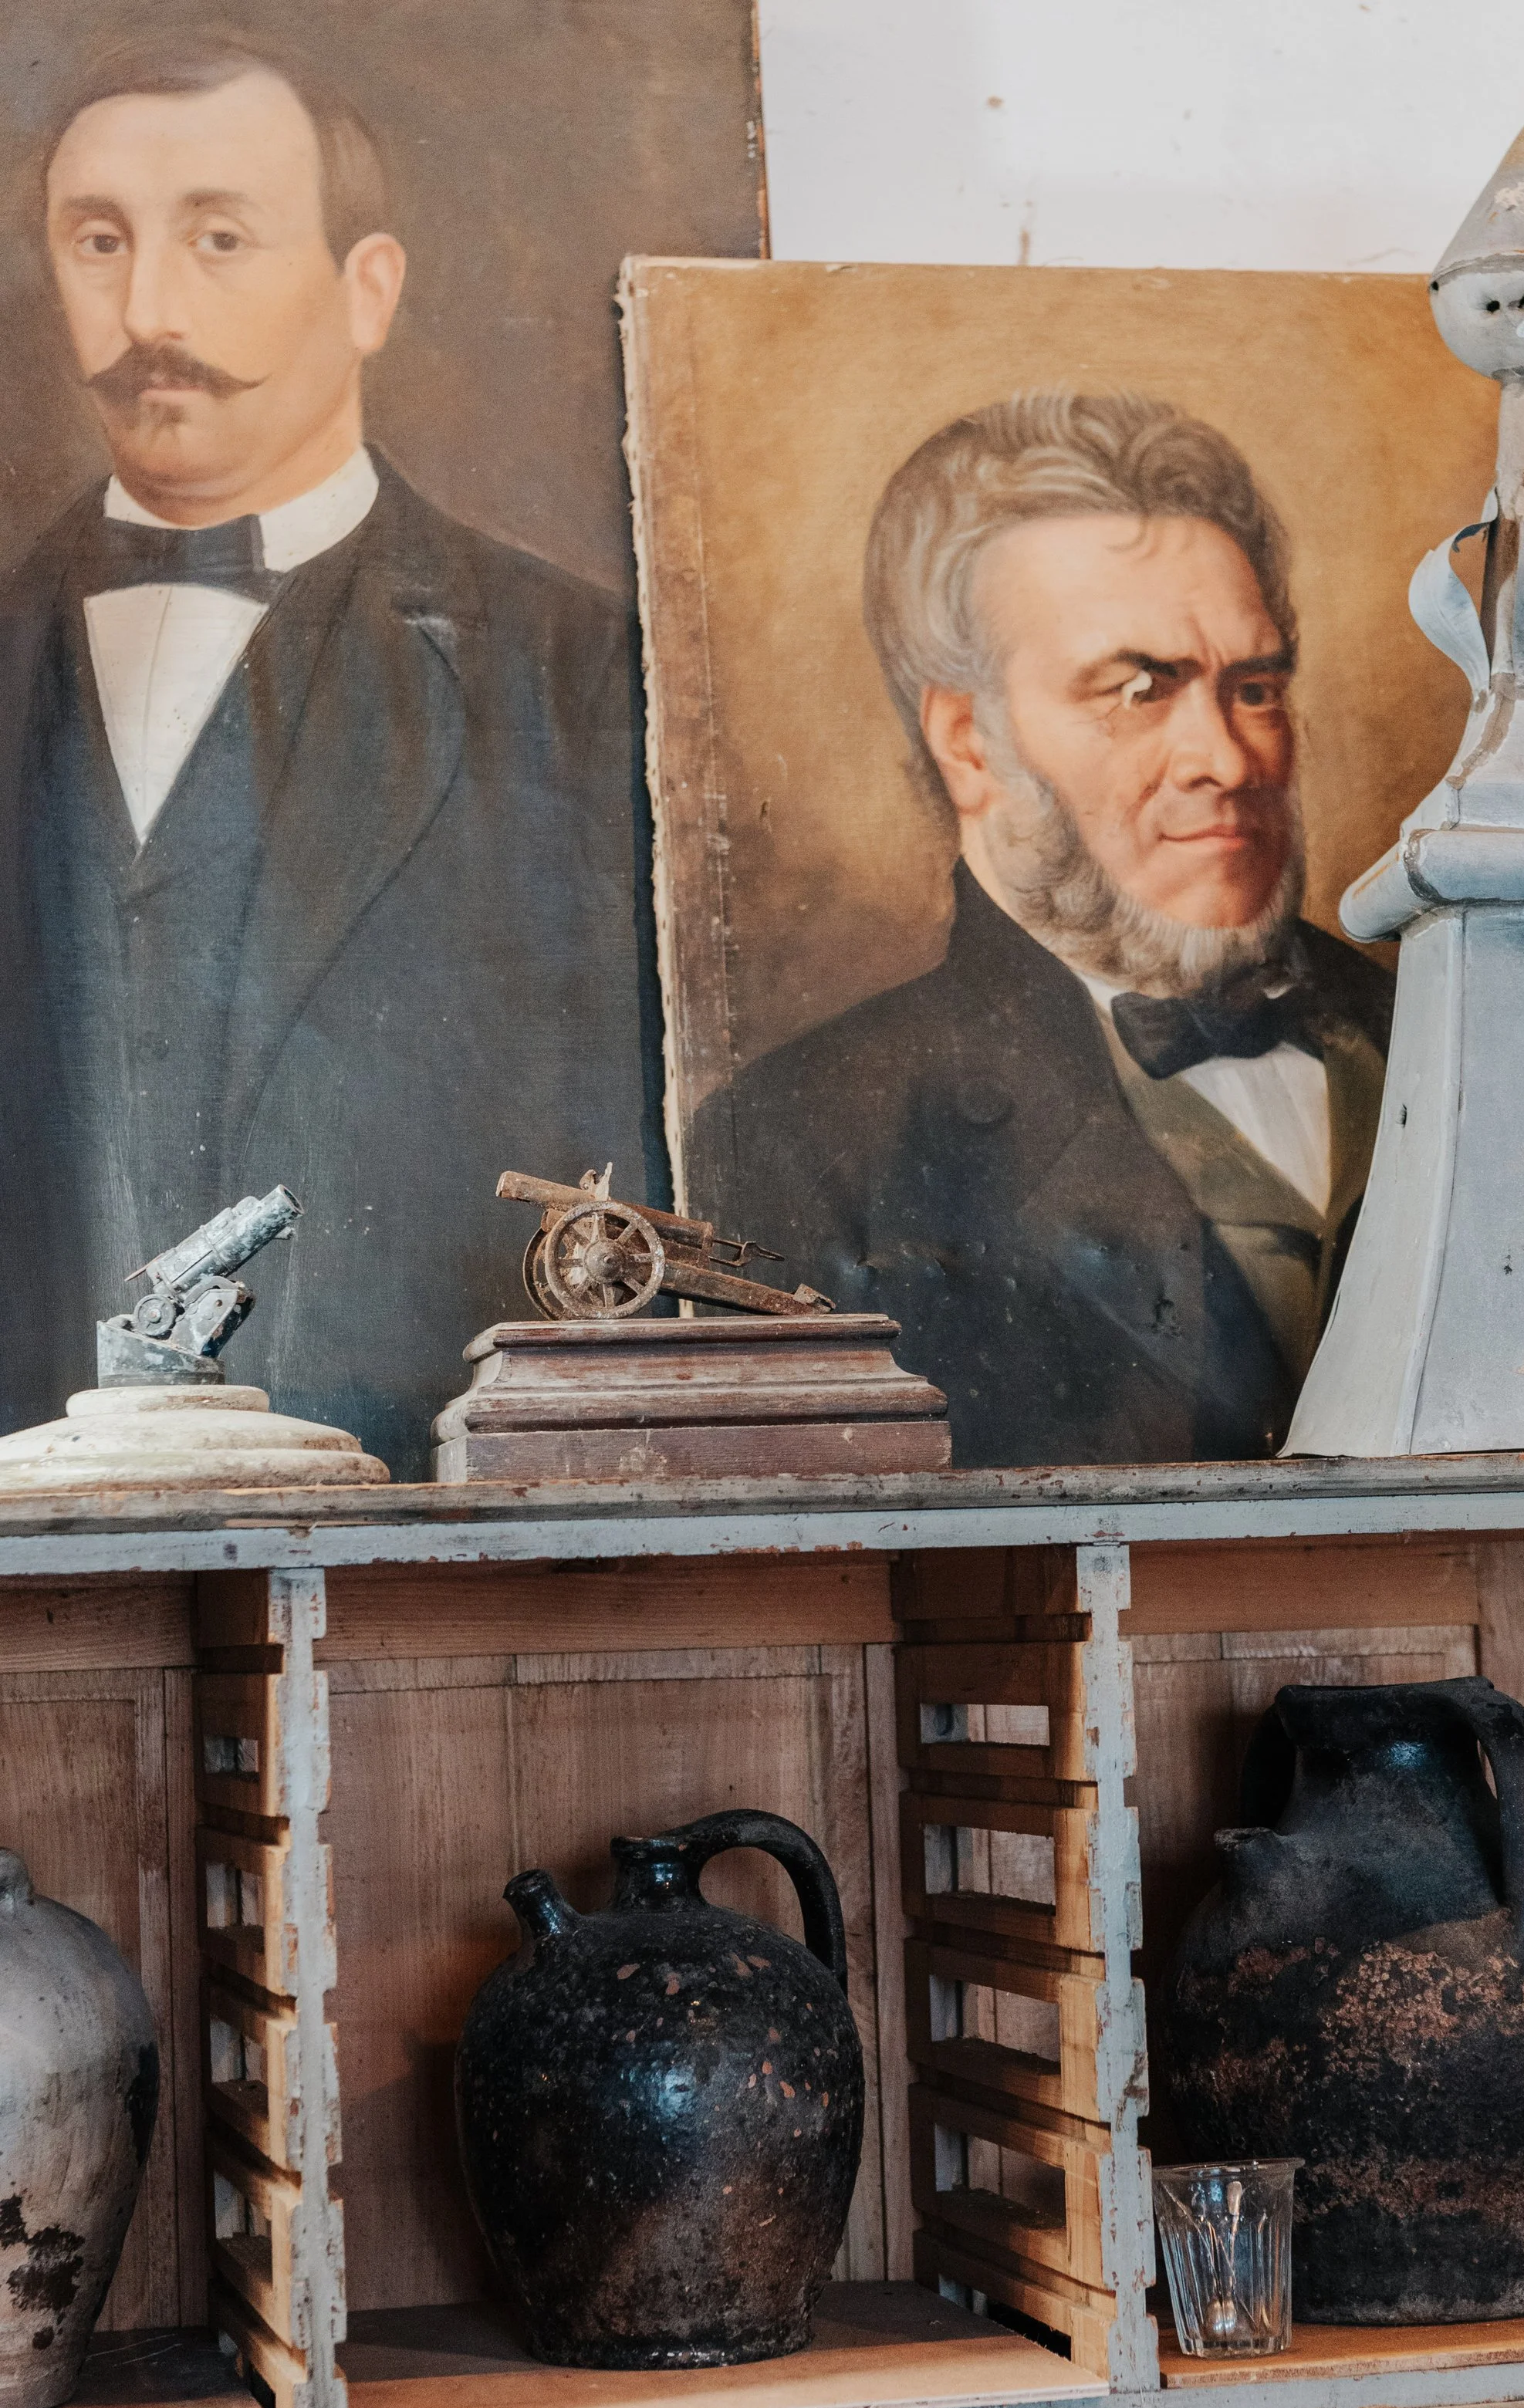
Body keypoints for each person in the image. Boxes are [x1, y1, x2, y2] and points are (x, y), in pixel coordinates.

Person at [0, 32, 650, 1478]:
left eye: (218, 238)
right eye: (97, 242)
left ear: (368, 291)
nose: (147, 309)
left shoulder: (586, 677)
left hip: (426, 1526)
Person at [693, 391, 1393, 1467]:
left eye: (1252, 687)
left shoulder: (1443, 1028)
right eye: (1138, 690)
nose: (1228, 759)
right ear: (969, 742)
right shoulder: (809, 1138)